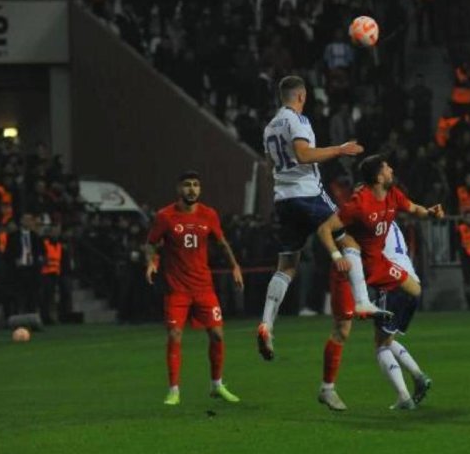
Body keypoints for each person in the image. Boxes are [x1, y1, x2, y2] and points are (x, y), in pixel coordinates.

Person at [317, 157, 444, 409]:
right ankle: (408, 390)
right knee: (357, 333)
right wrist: (335, 255)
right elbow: (325, 229)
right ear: (378, 177)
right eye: (387, 167)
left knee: (413, 294)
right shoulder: (359, 204)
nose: (392, 169)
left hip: (381, 267)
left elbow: (414, 207)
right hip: (359, 269)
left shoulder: (393, 195)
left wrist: (429, 212)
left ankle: (411, 387)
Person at [257, 75, 365, 361]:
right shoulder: (298, 121)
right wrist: (340, 149)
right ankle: (365, 303)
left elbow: (269, 170)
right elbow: (304, 155)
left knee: (287, 265)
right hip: (308, 194)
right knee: (349, 240)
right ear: (301, 96)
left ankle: (267, 323)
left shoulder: (269, 128)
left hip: (283, 199)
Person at [146, 171, 244, 406]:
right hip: (177, 289)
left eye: (196, 185)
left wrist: (235, 267)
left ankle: (217, 385)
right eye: (187, 185)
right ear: (178, 189)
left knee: (218, 335)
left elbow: (222, 243)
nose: (192, 189)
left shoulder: (209, 215)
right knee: (174, 335)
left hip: (203, 288)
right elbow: (151, 243)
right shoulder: (165, 216)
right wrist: (151, 261)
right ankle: (173, 390)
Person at [318, 220, 431, 411]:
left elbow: (357, 252)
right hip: (411, 282)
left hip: (393, 284)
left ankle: (404, 396)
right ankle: (419, 376)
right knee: (387, 339)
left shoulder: (369, 221)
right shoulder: (390, 221)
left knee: (381, 346)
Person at [3, 213, 45, 318]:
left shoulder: (35, 237)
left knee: (32, 294)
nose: (28, 222)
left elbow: (41, 252)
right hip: (18, 271)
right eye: (25, 220)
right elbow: (7, 254)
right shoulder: (13, 237)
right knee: (19, 295)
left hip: (32, 269)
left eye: (30, 220)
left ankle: (32, 317)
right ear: (21, 221)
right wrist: (14, 260)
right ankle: (19, 317)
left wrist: (39, 260)